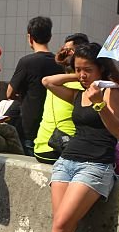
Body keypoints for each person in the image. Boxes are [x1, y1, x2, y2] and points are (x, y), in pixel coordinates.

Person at [5, 42, 119, 232]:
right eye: (78, 70)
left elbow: (118, 132)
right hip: (66, 161)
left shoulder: (111, 93)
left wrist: (99, 103)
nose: (82, 75)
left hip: (95, 165)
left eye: (88, 69)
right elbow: (48, 81)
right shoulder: (79, 91)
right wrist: (80, 74)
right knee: (63, 225)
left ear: (102, 68)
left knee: (62, 223)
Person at [6, 16, 60, 155]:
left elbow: (9, 93)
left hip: (29, 125)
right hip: (52, 126)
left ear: (29, 37)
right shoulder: (59, 63)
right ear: (50, 36)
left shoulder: (26, 62)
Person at [33, 36, 84, 164]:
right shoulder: (81, 88)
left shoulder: (56, 85)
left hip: (40, 148)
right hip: (59, 149)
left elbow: (46, 81)